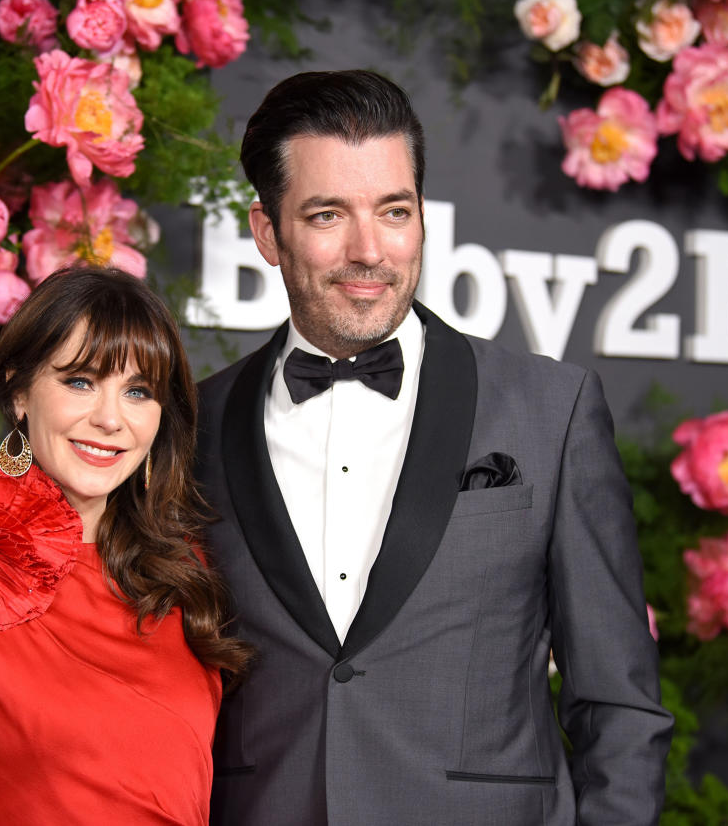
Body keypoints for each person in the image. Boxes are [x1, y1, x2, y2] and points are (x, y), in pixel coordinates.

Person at [196, 70, 673, 825]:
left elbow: (616, 700)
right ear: (267, 233)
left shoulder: (551, 410)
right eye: (327, 215)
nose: (369, 251)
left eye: (394, 211)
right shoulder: (195, 425)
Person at [0, 267, 252, 825]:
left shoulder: (183, 573)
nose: (111, 418)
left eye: (137, 391)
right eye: (81, 381)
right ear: (20, 391)